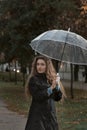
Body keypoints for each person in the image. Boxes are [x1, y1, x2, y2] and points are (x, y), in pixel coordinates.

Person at [25, 55, 66, 130]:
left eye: (42, 64)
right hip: (38, 117)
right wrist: (51, 88)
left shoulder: (51, 79)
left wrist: (57, 86)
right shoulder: (33, 80)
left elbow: (57, 98)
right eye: (38, 64)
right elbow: (38, 96)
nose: (39, 67)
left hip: (50, 117)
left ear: (47, 66)